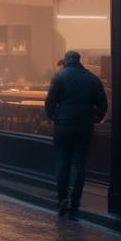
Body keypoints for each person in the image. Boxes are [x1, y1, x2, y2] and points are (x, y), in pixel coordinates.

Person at [44, 50, 108, 219]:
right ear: (80, 61)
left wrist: (52, 117)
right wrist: (96, 119)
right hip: (84, 125)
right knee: (78, 162)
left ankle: (62, 199)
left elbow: (50, 102)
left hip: (63, 124)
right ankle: (75, 199)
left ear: (65, 61)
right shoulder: (92, 78)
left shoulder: (59, 77)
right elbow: (103, 103)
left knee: (62, 161)